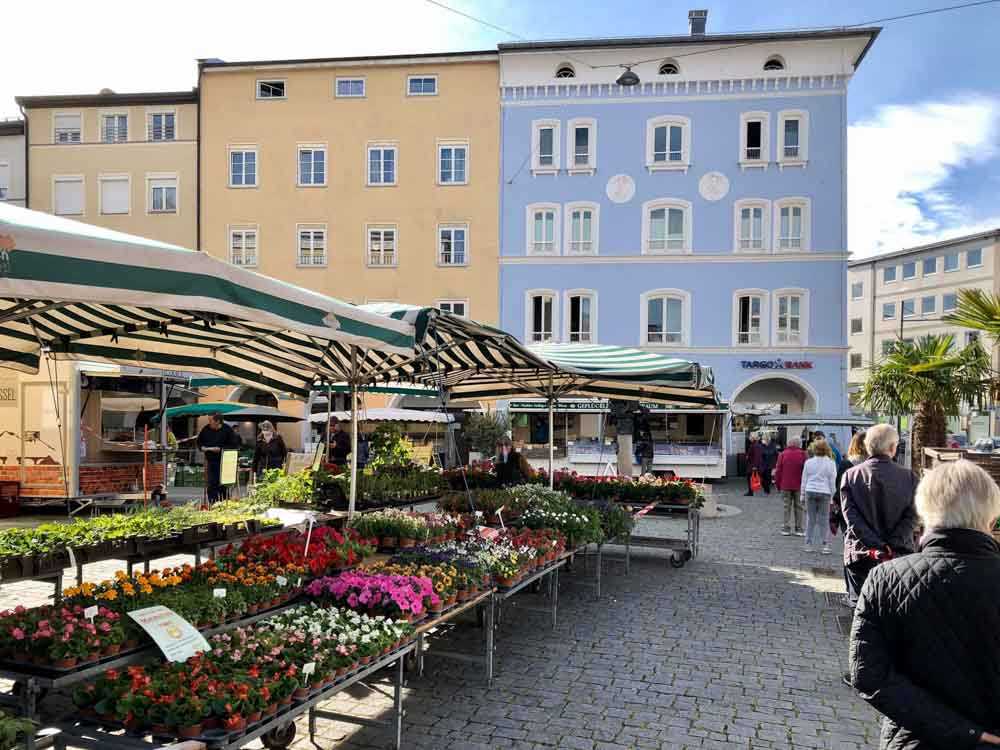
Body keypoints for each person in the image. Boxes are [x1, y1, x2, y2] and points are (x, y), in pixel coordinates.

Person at [848, 459, 1000, 749]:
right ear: (991, 519)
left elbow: (870, 676)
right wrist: (971, 733)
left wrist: (963, 731)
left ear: (925, 513)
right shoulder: (886, 579)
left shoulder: (885, 578)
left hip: (913, 740)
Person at [840, 424, 919, 607]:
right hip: (898, 555)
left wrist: (876, 544)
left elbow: (851, 517)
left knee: (861, 608)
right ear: (892, 448)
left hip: (861, 554)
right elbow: (913, 516)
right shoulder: (909, 478)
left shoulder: (851, 475)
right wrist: (891, 544)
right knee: (894, 607)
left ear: (868, 446)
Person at [801, 438, 837, 554]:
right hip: (824, 492)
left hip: (810, 490)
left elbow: (804, 480)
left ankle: (808, 544)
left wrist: (802, 495)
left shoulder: (808, 462)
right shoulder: (831, 463)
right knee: (824, 519)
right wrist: (833, 497)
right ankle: (825, 545)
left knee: (810, 519)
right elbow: (832, 481)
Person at [197, 412, 242, 503]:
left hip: (224, 461)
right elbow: (199, 441)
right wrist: (202, 447)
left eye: (211, 420)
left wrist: (221, 449)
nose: (209, 422)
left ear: (218, 421)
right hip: (211, 461)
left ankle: (224, 502)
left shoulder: (227, 430)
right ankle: (212, 503)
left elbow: (234, 445)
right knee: (212, 483)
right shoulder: (206, 429)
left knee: (222, 484)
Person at [774, 436, 808, 536]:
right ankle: (799, 529)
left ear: (789, 444)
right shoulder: (803, 454)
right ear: (799, 444)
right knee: (799, 507)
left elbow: (778, 471)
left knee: (786, 507)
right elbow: (806, 471)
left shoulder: (782, 454)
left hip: (785, 485)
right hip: (799, 485)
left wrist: (778, 484)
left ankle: (786, 528)